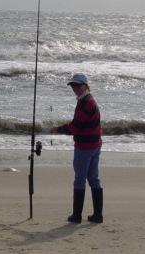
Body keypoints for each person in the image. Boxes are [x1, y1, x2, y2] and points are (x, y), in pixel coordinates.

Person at [51, 73, 103, 224]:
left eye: (78, 85)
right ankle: (97, 215)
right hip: (94, 143)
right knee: (94, 179)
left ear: (85, 85)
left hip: (85, 146)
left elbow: (75, 127)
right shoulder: (88, 100)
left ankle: (76, 216)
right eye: (73, 86)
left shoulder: (86, 103)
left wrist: (57, 129)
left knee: (80, 180)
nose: (75, 89)